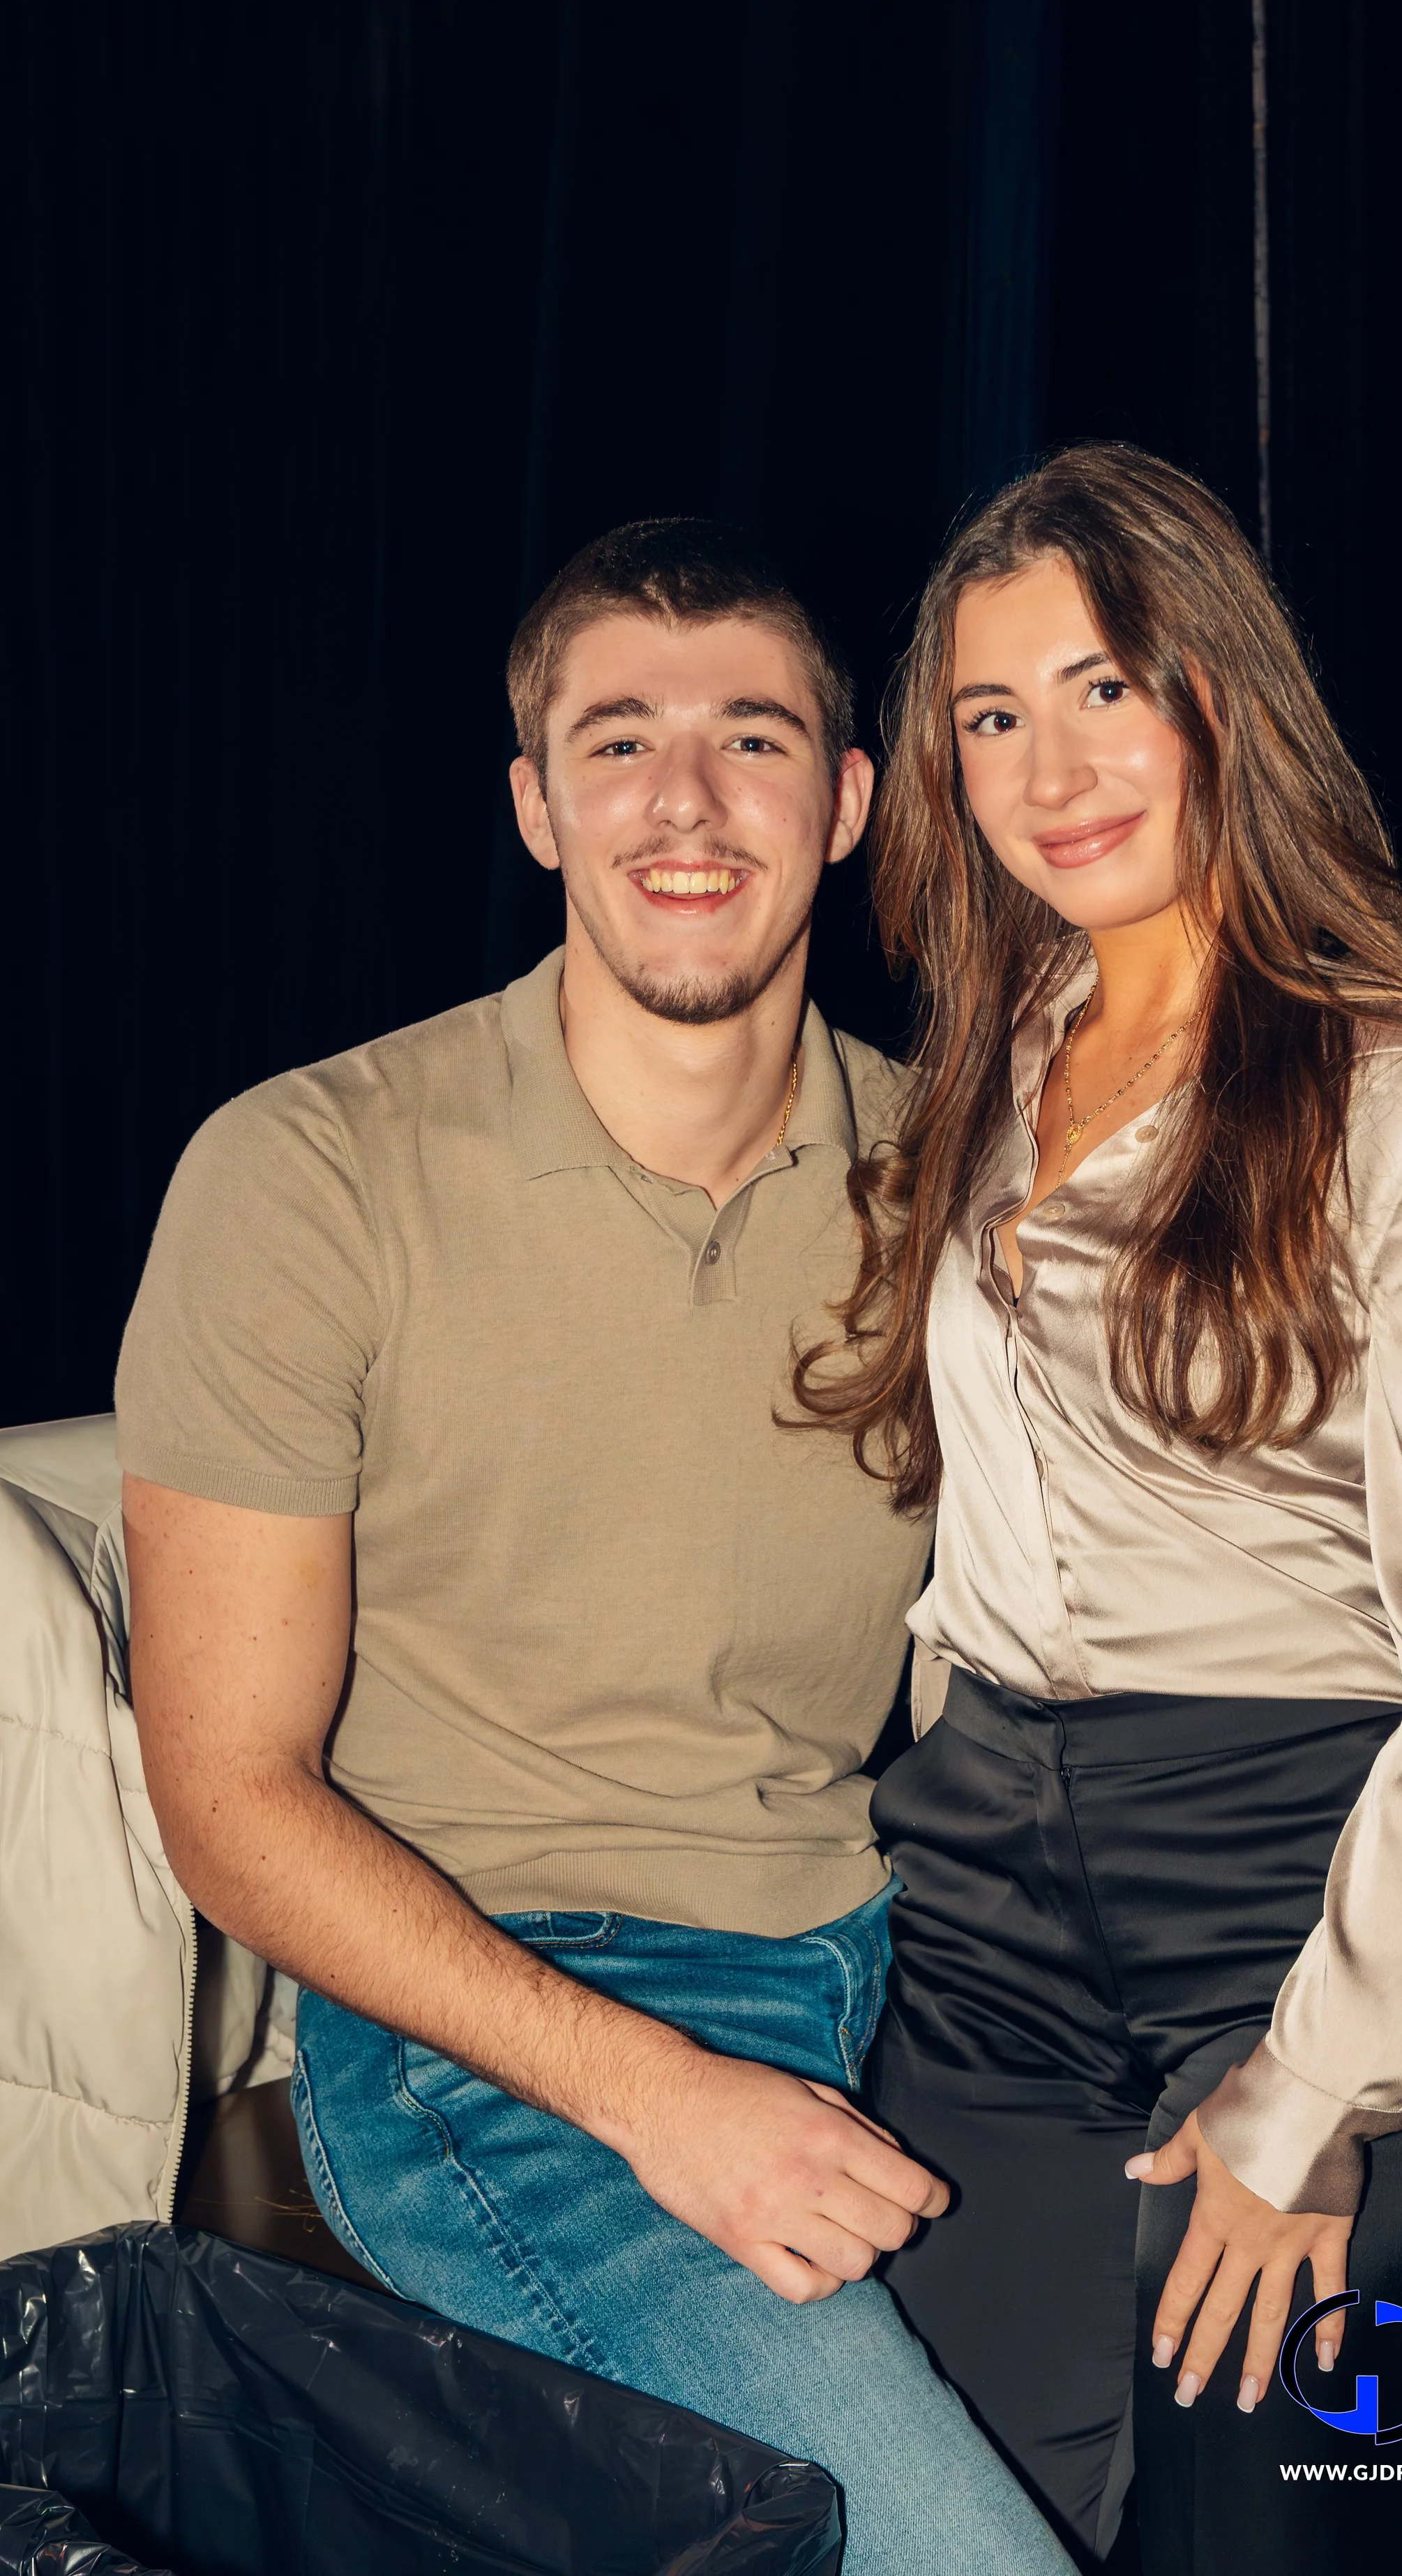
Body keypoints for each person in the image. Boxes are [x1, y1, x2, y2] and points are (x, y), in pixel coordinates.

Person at [114, 521, 1078, 2576]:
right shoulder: (308, 1172)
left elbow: (1264, 1526)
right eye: (616, 739)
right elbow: (227, 1797)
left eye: (752, 735)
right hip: (514, 2022)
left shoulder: (969, 1181)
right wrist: (656, 2091)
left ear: (847, 802)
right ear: (536, 802)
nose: (684, 800)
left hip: (926, 1945)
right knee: (961, 2562)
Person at [794, 444, 1402, 2573]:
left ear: (1221, 699)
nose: (1049, 765)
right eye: (989, 716)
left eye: (1100, 688)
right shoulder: (980, 1063)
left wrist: (1318, 2090)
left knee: (1329, 2505)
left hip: (1316, 1875)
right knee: (949, 2517)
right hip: (983, 1893)